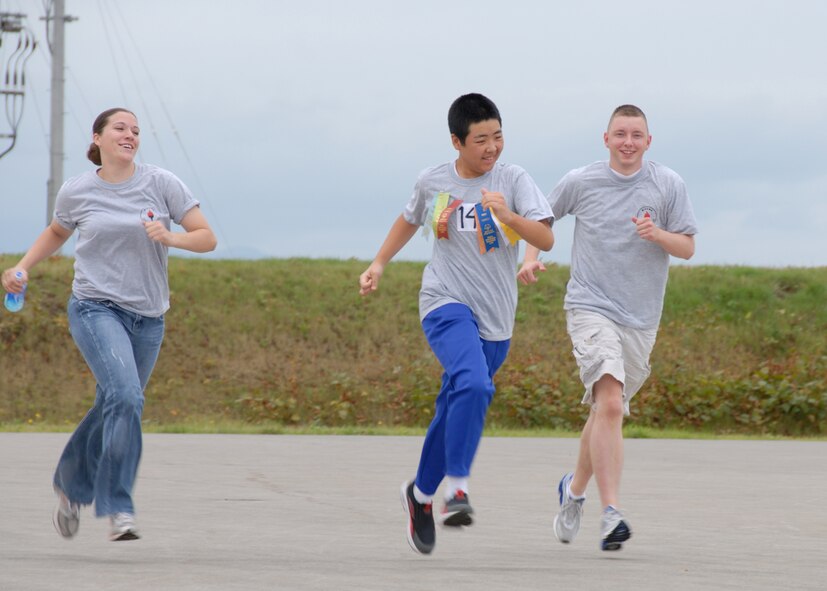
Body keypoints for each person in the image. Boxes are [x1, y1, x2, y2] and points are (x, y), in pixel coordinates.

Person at [1, 107, 217, 542]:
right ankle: (119, 506)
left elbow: (206, 237)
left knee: (114, 405)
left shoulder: (161, 183)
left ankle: (69, 486)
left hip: (149, 318)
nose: (130, 135)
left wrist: (171, 236)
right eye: (120, 128)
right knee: (126, 396)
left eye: (136, 131)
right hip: (95, 308)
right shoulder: (77, 191)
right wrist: (22, 266)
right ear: (97, 137)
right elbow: (58, 233)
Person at [359, 93, 554, 555]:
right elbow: (409, 220)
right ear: (457, 141)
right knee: (474, 385)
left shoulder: (513, 179)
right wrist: (379, 263)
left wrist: (508, 215)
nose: (492, 148)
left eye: (498, 136)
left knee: (455, 405)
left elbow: (544, 234)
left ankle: (421, 495)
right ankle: (457, 489)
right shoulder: (434, 181)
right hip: (444, 302)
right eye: (481, 140)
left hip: (496, 319)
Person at [518, 104, 697, 551]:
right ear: (606, 138)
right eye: (621, 133)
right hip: (590, 306)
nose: (628, 142)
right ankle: (611, 513)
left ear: (648, 141)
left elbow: (688, 246)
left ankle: (574, 490)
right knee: (612, 405)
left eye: (637, 135)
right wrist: (530, 258)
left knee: (604, 410)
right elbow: (542, 219)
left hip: (641, 319)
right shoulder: (582, 180)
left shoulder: (667, 184)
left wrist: (658, 235)